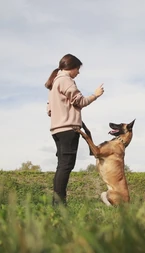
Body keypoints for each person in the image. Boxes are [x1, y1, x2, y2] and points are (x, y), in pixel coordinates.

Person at [45, 53, 104, 206]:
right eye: (78, 69)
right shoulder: (65, 80)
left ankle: (57, 203)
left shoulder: (54, 83)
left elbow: (49, 110)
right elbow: (80, 101)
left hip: (57, 129)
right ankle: (59, 204)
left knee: (62, 166)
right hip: (68, 129)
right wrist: (95, 95)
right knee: (66, 166)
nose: (78, 72)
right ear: (71, 68)